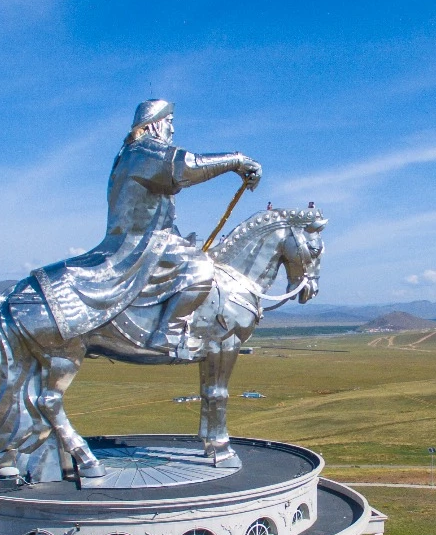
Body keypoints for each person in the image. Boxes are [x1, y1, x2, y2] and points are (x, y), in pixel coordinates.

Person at [30, 99, 262, 359]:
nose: (172, 130)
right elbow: (188, 166)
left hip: (149, 237)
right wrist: (237, 160)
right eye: (170, 123)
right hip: (142, 243)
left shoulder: (130, 154)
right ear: (155, 124)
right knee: (200, 267)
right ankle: (170, 333)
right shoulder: (146, 151)